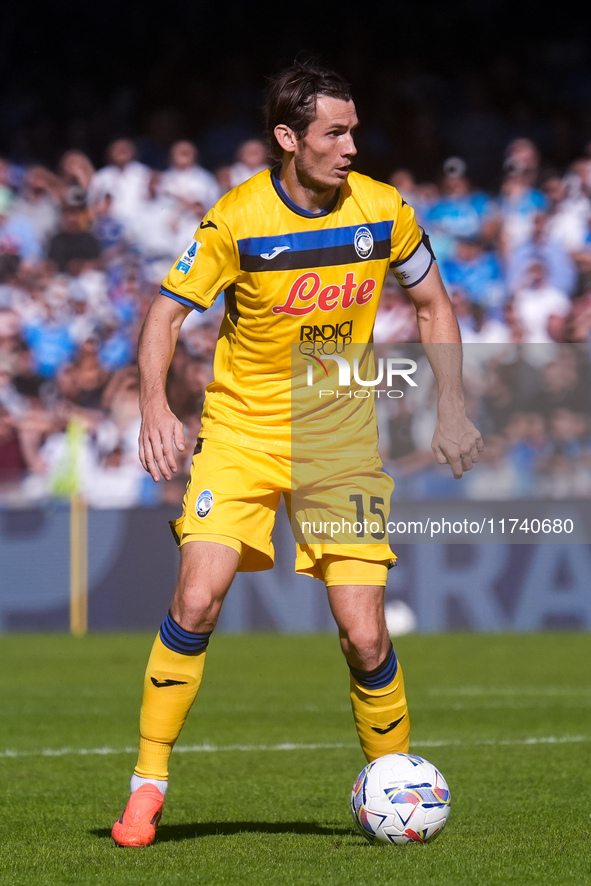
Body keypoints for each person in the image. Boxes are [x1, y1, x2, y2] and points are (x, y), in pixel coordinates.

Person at [111, 59, 482, 848]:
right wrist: (154, 405)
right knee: (197, 597)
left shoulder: (384, 212)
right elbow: (164, 314)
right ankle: (146, 786)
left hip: (339, 442)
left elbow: (432, 303)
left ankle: (396, 786)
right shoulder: (237, 220)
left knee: (365, 635)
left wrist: (452, 406)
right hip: (241, 436)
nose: (351, 145)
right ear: (288, 137)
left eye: (353, 130)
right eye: (334, 132)